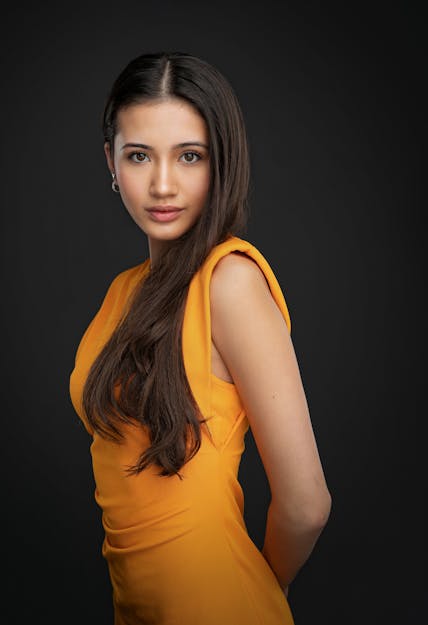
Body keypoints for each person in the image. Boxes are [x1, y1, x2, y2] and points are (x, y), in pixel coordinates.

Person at [69, 51, 332, 625]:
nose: (163, 185)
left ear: (221, 163)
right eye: (139, 156)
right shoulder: (124, 291)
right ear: (110, 162)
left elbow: (307, 503)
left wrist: (261, 590)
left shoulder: (229, 282)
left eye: (190, 156)